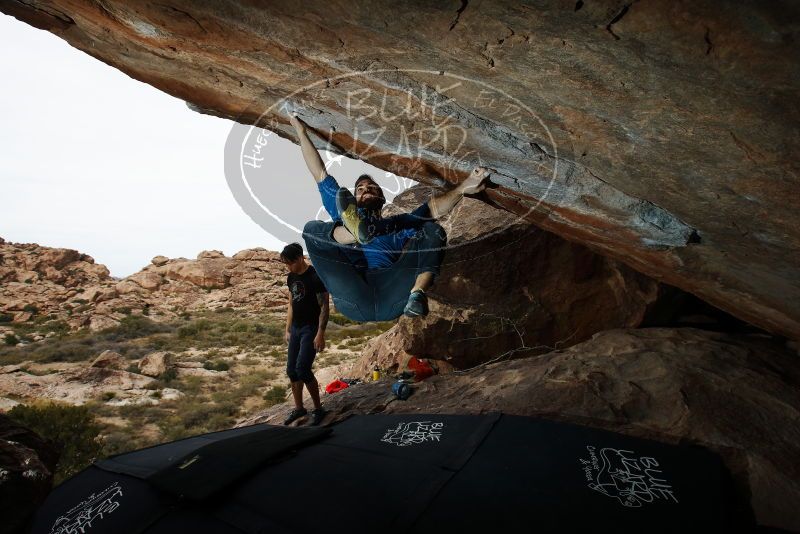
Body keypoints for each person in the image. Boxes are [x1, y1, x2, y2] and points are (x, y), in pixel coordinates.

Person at [289, 113, 490, 322]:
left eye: (371, 187)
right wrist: (301, 131)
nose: (365, 190)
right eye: (360, 189)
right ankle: (353, 232)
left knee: (432, 229)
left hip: (393, 294)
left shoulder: (397, 224)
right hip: (354, 293)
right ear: (355, 199)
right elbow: (319, 172)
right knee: (312, 230)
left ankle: (418, 294)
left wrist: (463, 187)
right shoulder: (341, 213)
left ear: (382, 197)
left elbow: (435, 208)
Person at [280, 242, 329, 426]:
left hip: (310, 328)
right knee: (292, 370)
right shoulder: (291, 277)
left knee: (303, 368)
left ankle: (318, 409)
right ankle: (299, 408)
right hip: (296, 329)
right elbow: (291, 303)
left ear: (300, 258)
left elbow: (324, 305)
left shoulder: (315, 277)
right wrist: (287, 329)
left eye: (290, 263)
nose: (288, 267)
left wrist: (320, 333)